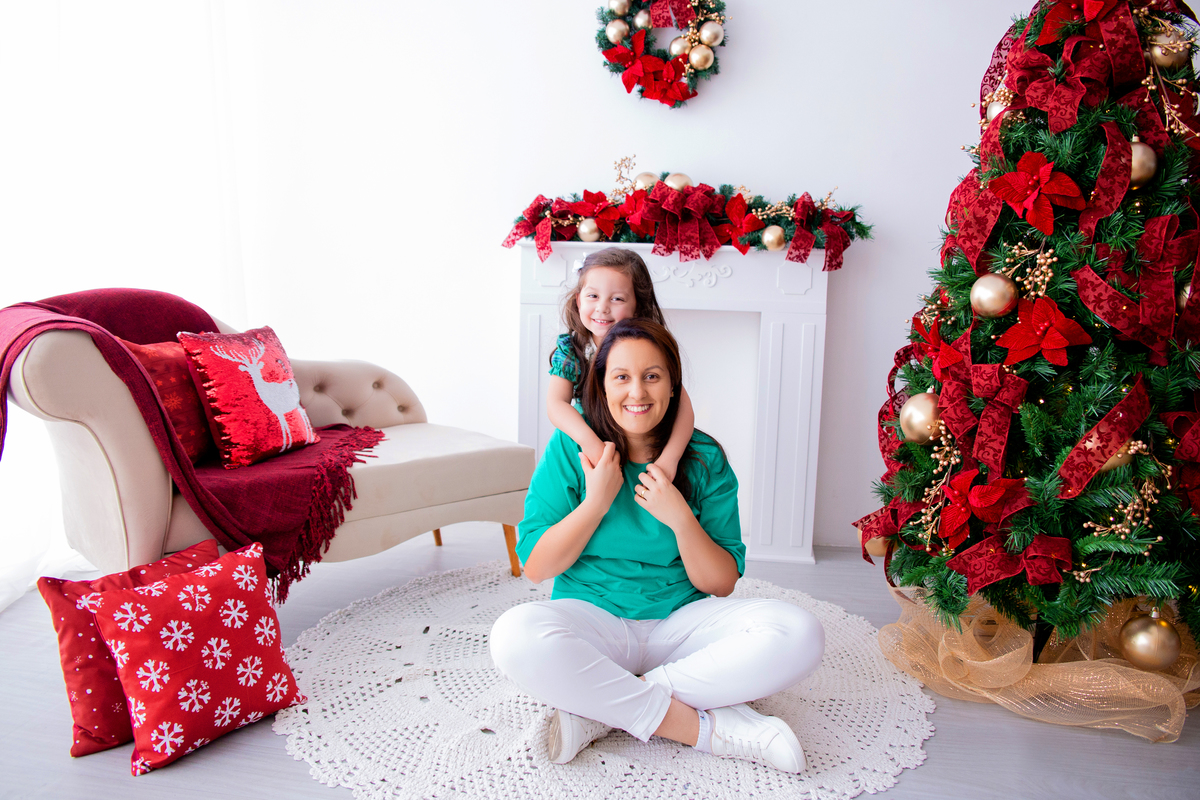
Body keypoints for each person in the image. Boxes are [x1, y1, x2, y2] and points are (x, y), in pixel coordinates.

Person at [491, 319, 825, 773]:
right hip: (594, 622)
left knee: (800, 632)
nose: (637, 392)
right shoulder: (570, 450)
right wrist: (595, 503)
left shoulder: (703, 457)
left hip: (680, 626)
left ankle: (599, 711)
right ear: (601, 386)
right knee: (513, 635)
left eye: (652, 376)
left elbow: (721, 583)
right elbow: (535, 567)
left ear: (672, 386)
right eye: (621, 377)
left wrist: (679, 517)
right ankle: (699, 728)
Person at [546, 247, 695, 481]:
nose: (602, 308)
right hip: (594, 443)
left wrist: (670, 458)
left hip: (640, 441)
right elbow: (556, 403)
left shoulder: (649, 348)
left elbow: (683, 406)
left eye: (617, 299)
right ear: (578, 300)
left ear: (638, 306)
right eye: (593, 296)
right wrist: (590, 443)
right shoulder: (572, 349)